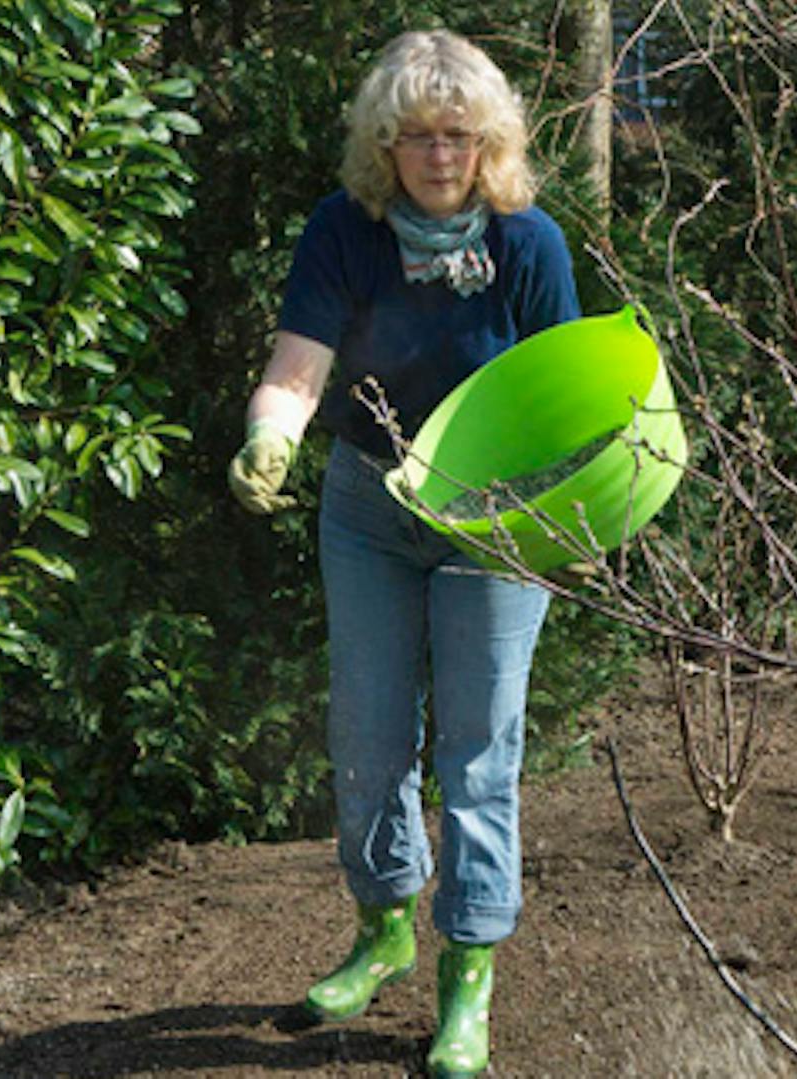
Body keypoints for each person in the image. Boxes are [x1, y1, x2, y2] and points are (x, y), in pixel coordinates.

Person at [226, 28, 580, 1079]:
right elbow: (297, 367)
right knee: (369, 732)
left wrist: (571, 513)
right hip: (368, 506)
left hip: (493, 515)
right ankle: (383, 929)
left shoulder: (529, 246)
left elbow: (566, 400)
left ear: (489, 142)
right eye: (417, 136)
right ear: (386, 145)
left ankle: (467, 972)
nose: (437, 156)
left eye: (458, 135)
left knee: (478, 749)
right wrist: (270, 435)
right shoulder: (346, 232)